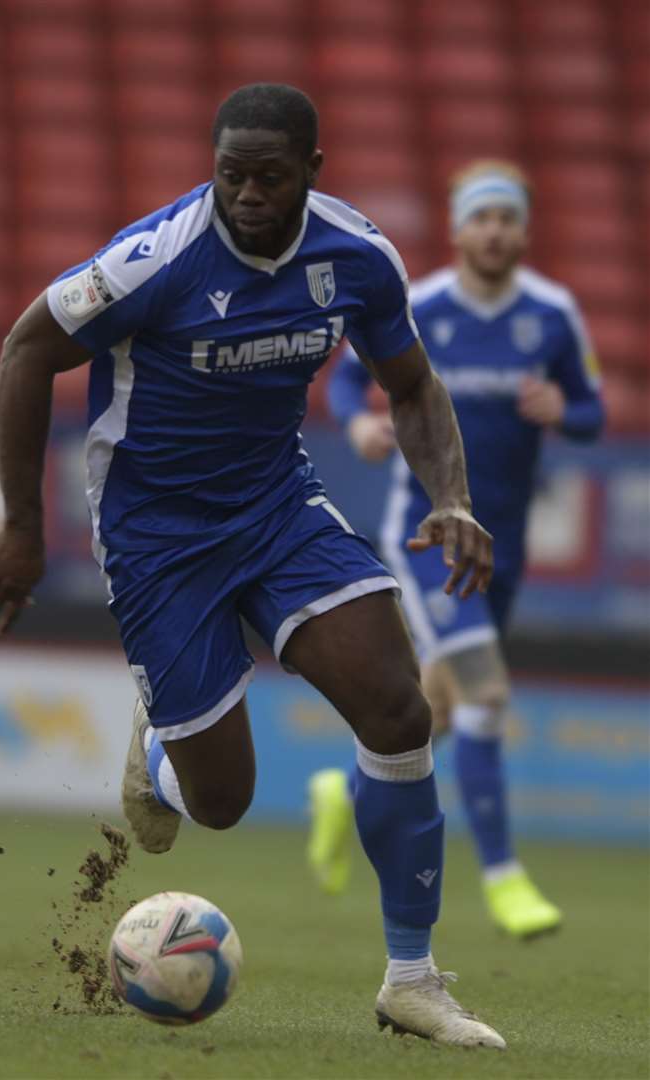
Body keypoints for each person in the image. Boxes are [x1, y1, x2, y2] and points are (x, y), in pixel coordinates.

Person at [0, 84, 505, 1047]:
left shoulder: (358, 256)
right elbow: (23, 349)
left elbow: (412, 385)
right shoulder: (155, 258)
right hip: (156, 533)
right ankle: (162, 752)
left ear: (312, 173)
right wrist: (19, 525)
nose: (247, 195)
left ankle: (412, 979)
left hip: (276, 506)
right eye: (230, 175)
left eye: (269, 177)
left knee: (397, 708)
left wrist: (450, 500)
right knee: (220, 804)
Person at [308, 160, 604, 938]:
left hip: (502, 546)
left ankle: (342, 792)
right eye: (482, 217)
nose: (495, 230)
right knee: (486, 695)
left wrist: (562, 408)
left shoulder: (551, 314)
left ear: (523, 231)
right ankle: (505, 878)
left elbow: (592, 408)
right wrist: (359, 424)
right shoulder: (422, 306)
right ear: (458, 227)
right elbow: (345, 383)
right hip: (430, 534)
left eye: (507, 217)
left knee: (431, 711)